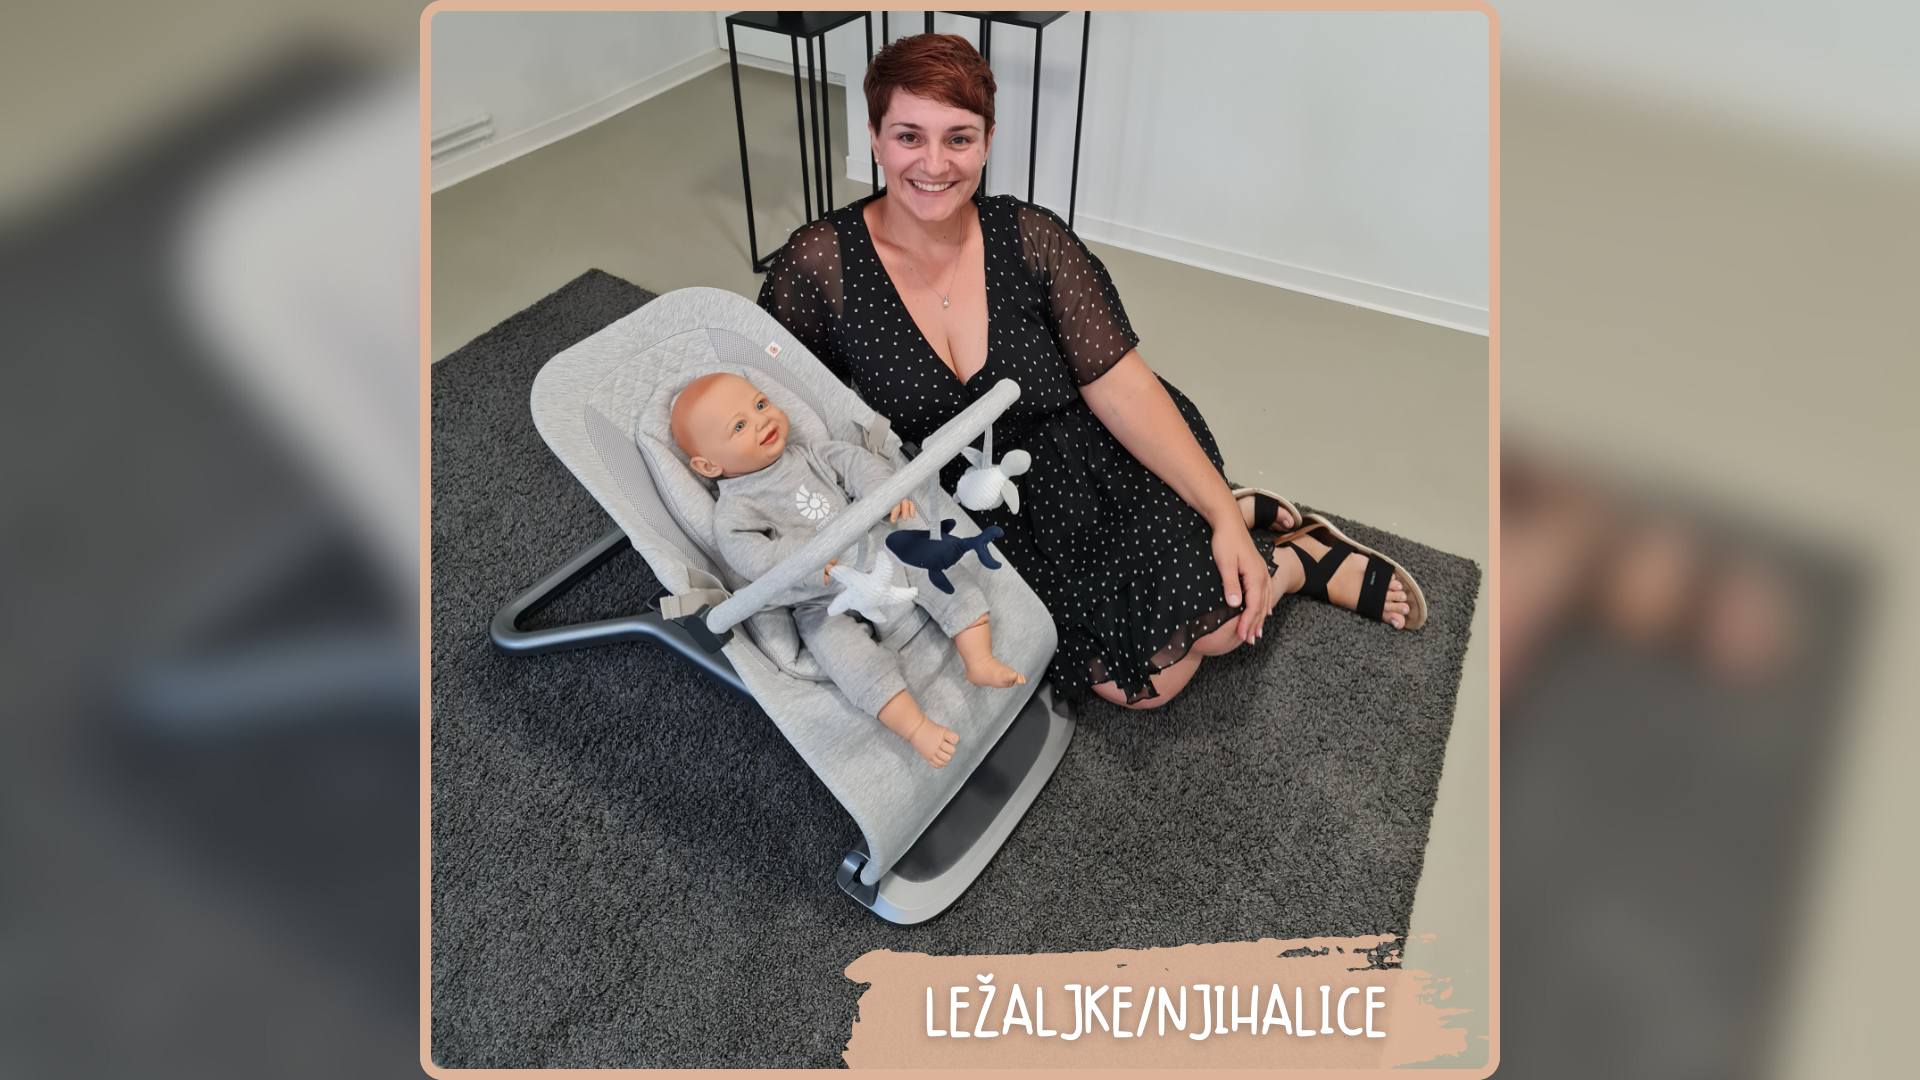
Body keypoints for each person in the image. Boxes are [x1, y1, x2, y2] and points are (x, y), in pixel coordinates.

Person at [758, 33, 1418, 708]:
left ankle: (1293, 557)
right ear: (874, 138)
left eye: (959, 139)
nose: (934, 163)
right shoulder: (819, 266)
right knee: (1149, 686)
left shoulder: (1030, 236)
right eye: (908, 137)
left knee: (1219, 625)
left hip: (1091, 456)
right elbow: (776, 406)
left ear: (987, 142)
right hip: (971, 506)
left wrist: (1218, 517)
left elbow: (1123, 388)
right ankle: (1261, 526)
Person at [672, 371, 1026, 768]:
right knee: (845, 657)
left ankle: (979, 658)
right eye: (739, 426)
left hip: (878, 551)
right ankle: (915, 727)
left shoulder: (812, 455)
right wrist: (805, 559)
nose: (761, 420)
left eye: (760, 404)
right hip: (820, 598)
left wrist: (883, 494)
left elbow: (859, 464)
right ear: (708, 465)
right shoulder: (734, 512)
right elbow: (750, 556)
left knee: (943, 570)